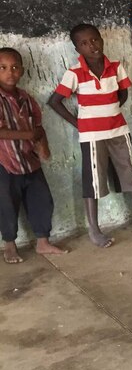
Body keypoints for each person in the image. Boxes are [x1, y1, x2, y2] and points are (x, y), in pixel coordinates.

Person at [48, 24, 132, 245]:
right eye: (84, 43)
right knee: (93, 181)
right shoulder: (74, 73)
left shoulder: (116, 67)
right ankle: (94, 230)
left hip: (119, 131)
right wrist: (78, 124)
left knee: (131, 173)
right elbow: (55, 102)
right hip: (92, 136)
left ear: (101, 39)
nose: (91, 45)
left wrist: (112, 110)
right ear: (77, 48)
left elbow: (123, 93)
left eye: (94, 40)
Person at [0, 47, 67, 263]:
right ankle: (9, 245)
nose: (10, 72)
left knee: (42, 201)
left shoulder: (27, 99)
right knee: (6, 204)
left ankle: (42, 242)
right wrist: (28, 134)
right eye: (3, 68)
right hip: (5, 163)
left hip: (31, 162)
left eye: (15, 67)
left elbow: (38, 127)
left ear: (21, 71)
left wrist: (43, 148)